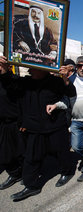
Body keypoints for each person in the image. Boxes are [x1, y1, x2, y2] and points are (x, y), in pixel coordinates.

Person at [2, 61, 76, 201]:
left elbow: (71, 93)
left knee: (61, 152)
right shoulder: (25, 82)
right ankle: (32, 186)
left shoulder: (56, 81)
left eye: (34, 68)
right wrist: (5, 71)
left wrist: (65, 79)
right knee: (31, 157)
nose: (30, 70)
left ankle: (67, 171)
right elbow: (11, 90)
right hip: (34, 127)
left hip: (55, 125)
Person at [0, 56, 25, 190]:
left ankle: (20, 173)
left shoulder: (15, 81)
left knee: (20, 152)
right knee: (5, 154)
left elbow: (20, 101)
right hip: (2, 124)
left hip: (15, 123)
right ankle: (15, 173)